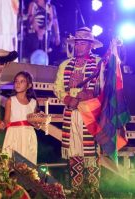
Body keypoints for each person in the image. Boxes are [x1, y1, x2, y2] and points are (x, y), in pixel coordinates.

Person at [53, 27, 103, 189]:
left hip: (90, 115)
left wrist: (90, 93)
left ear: (90, 45)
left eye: (82, 43)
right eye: (77, 43)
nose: (78, 46)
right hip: (71, 114)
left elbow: (104, 88)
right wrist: (67, 98)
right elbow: (57, 87)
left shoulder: (98, 64)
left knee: (92, 155)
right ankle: (77, 191)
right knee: (74, 153)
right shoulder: (65, 65)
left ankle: (93, 191)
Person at [0, 71, 39, 164]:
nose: (18, 84)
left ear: (29, 85)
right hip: (14, 135)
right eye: (16, 81)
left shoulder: (33, 102)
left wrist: (38, 125)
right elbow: (7, 120)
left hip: (29, 136)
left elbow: (35, 122)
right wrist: (3, 125)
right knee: (13, 164)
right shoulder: (10, 100)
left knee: (28, 165)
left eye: (22, 81)